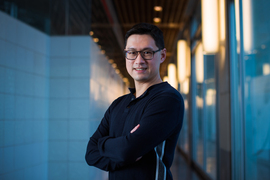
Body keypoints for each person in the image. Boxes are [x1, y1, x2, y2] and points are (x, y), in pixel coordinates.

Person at [85, 23, 184, 180]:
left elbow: (127, 150)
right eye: (132, 52)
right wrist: (123, 151)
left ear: (162, 55)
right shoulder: (118, 104)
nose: (139, 60)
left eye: (147, 52)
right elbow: (90, 153)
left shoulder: (168, 99)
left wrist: (105, 144)